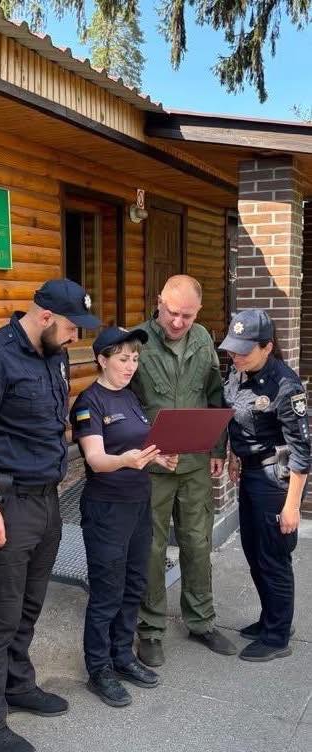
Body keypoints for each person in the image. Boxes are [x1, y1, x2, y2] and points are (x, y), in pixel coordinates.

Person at [0, 279, 101, 752]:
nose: (76, 337)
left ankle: (16, 684)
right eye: (72, 327)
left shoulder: (55, 355)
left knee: (29, 605)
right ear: (45, 316)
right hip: (3, 502)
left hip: (45, 500)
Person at [130, 274, 236, 667]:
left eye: (187, 316)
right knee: (152, 549)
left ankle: (202, 621)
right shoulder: (136, 341)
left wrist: (218, 447)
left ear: (198, 312)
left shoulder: (204, 339)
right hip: (152, 465)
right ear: (159, 301)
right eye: (172, 312)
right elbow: (124, 401)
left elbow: (214, 394)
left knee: (197, 542)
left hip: (194, 463)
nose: (177, 322)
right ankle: (150, 630)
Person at [72, 326, 178, 708]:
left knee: (134, 585)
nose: (131, 365)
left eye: (134, 358)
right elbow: (96, 460)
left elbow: (140, 446)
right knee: (107, 592)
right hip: (107, 509)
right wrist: (126, 461)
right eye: (122, 358)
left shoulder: (131, 397)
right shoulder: (89, 401)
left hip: (138, 503)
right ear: (102, 359)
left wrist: (158, 457)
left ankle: (122, 656)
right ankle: (99, 669)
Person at [219, 309, 310, 661]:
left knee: (273, 558)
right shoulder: (238, 371)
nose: (236, 355)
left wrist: (292, 507)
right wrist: (233, 454)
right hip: (251, 474)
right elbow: (235, 417)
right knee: (254, 552)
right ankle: (272, 618)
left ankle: (276, 637)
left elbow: (302, 451)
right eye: (233, 348)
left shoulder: (286, 385)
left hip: (275, 480)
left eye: (244, 350)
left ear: (267, 347)